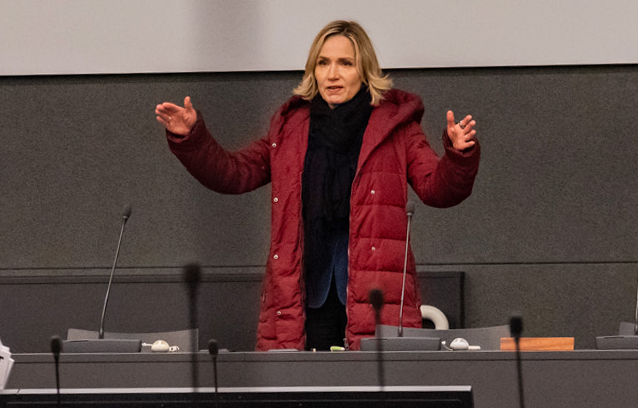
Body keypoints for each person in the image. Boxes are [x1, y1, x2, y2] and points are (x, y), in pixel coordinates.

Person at [154, 19, 481, 350]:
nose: (332, 74)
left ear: (365, 70)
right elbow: (234, 173)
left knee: (371, 399)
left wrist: (458, 155)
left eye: (345, 63)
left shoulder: (397, 128)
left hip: (376, 299)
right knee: (307, 396)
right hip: (305, 299)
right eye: (323, 63)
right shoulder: (291, 128)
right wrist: (191, 138)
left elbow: (437, 189)